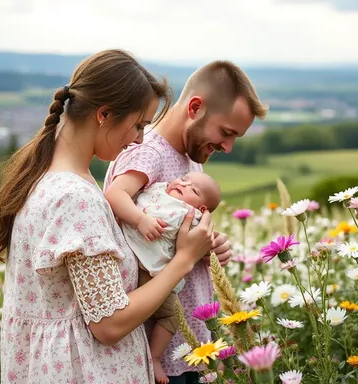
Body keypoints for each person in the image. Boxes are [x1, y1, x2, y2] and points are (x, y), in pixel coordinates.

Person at [0, 49, 214, 383]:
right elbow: (108, 324)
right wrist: (184, 259)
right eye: (137, 124)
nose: (139, 138)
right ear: (103, 114)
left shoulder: (45, 177)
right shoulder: (76, 198)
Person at [104, 60, 268, 383]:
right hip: (162, 358)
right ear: (195, 108)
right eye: (226, 132)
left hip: (193, 347)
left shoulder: (191, 160)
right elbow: (120, 219)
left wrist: (209, 247)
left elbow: (180, 235)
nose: (228, 147)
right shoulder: (146, 153)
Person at [109, 171, 221, 383]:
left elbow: (203, 241)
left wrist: (213, 241)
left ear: (202, 209)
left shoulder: (191, 215)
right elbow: (120, 197)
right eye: (184, 180)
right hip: (125, 259)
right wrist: (140, 219)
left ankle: (155, 357)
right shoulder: (156, 189)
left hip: (153, 275)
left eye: (193, 190)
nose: (184, 184)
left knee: (172, 316)